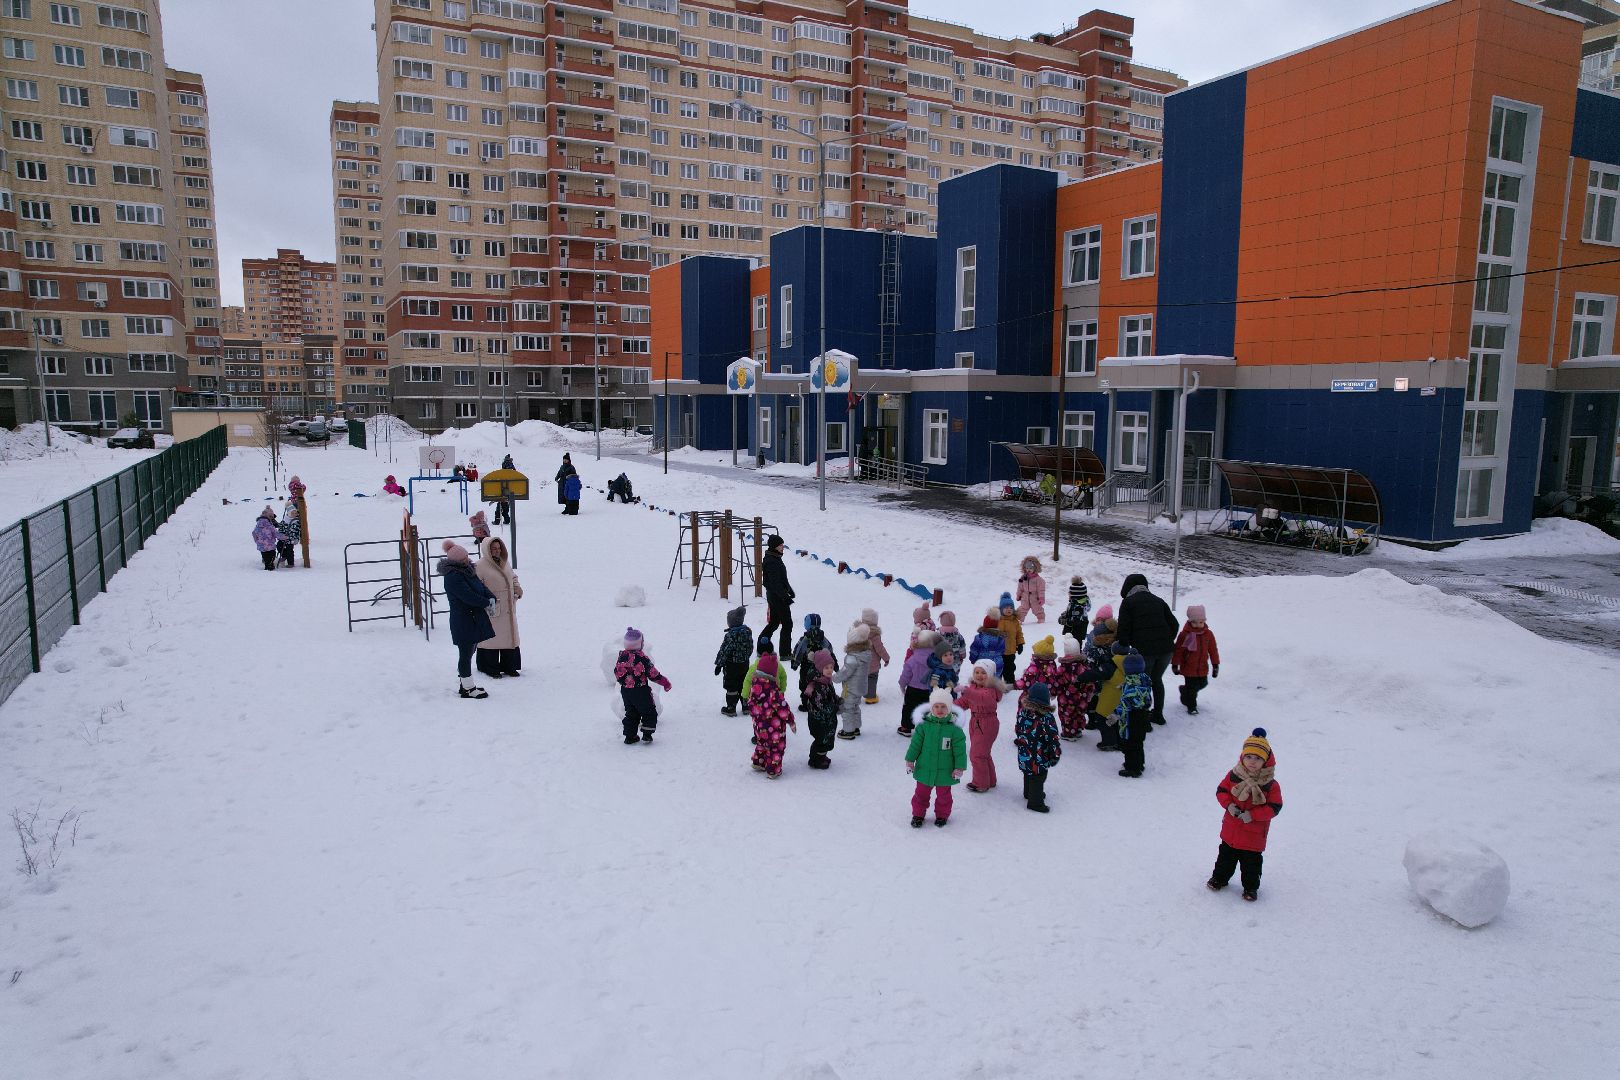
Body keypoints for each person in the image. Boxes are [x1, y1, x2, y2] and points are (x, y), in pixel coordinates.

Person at [1208, 729, 1283, 902]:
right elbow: (1222, 791)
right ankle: (1219, 879)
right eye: (1249, 757)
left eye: (1258, 758)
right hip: (1231, 831)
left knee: (1251, 865)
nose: (1252, 762)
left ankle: (1250, 888)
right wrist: (1229, 806)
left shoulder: (1270, 784)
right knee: (1225, 859)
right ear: (1243, 756)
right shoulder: (1234, 775)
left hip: (1253, 835)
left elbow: (1275, 807)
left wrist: (1253, 815)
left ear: (1266, 761)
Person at [1115, 572, 1179, 727]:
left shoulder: (1128, 603)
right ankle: (1158, 715)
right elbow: (1175, 624)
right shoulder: (1159, 601)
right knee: (1156, 680)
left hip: (1145, 651)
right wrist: (1165, 640)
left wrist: (1124, 645)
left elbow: (1123, 630)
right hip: (1166, 651)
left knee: (1143, 684)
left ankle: (1143, 721)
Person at [437, 540, 496, 699]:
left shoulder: (467, 570)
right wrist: (485, 602)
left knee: (470, 651)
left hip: (474, 617)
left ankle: (465, 683)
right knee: (465, 653)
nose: (466, 560)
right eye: (463, 559)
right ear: (455, 561)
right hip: (463, 619)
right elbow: (467, 596)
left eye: (466, 557)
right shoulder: (452, 576)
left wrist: (490, 597)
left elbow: (480, 586)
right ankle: (468, 688)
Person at [904, 688, 968, 828]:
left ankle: (942, 815)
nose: (940, 709)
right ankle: (918, 815)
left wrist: (959, 767)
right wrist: (910, 760)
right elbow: (915, 745)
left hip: (945, 771)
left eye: (943, 706)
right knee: (920, 794)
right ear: (931, 707)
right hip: (924, 769)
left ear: (949, 708)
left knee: (944, 796)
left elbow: (960, 751)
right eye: (936, 706)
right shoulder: (924, 726)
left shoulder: (954, 729)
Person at [473, 536, 522, 678]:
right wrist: (487, 600)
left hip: (508, 607)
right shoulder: (480, 566)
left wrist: (517, 588)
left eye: (499, 548)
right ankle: (490, 667)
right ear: (487, 550)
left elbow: (513, 577)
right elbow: (476, 586)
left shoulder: (504, 562)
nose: (497, 551)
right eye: (493, 548)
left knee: (509, 637)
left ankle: (509, 666)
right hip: (492, 608)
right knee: (491, 639)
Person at [614, 627, 672, 744]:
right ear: (639, 644)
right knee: (649, 711)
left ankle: (630, 736)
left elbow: (616, 672)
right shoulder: (642, 657)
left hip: (626, 691)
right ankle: (647, 734)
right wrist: (665, 682)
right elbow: (653, 673)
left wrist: (624, 682)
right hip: (640, 690)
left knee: (631, 713)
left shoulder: (622, 656)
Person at [955, 660, 1006, 793]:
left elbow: (981, 699)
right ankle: (990, 780)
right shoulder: (973, 688)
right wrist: (948, 706)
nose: (979, 675)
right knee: (984, 754)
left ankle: (981, 783)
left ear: (989, 675)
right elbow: (964, 702)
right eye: (977, 672)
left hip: (987, 723)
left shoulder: (991, 690)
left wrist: (966, 691)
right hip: (976, 722)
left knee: (977, 755)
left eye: (983, 673)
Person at [1013, 682, 1061, 813]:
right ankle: (1035, 802)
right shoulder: (1046, 718)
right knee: (1038, 777)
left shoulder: (1023, 712)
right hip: (1038, 755)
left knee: (1028, 774)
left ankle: (1029, 793)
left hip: (1024, 752)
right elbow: (1052, 737)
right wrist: (1055, 753)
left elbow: (1017, 729)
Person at [747, 653, 795, 779]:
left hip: (759, 726)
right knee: (775, 748)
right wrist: (791, 720)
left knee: (761, 744)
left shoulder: (754, 687)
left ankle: (759, 762)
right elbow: (783, 709)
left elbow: (751, 705)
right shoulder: (774, 691)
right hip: (774, 729)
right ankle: (773, 770)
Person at [1172, 604, 1221, 715]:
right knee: (1192, 689)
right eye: (1194, 622)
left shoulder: (1208, 634)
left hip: (1202, 667)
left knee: (1203, 683)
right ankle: (1192, 706)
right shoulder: (1185, 634)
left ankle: (1184, 691)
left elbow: (1213, 650)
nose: (1198, 625)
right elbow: (1178, 650)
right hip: (1188, 667)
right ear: (1190, 621)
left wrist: (1215, 665)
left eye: (1201, 622)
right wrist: (1175, 664)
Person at [1116, 648, 1153, 778]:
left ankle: (1133, 768)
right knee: (1138, 742)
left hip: (1131, 718)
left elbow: (1125, 704)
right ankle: (1139, 763)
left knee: (1130, 743)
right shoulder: (1144, 680)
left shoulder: (1131, 685)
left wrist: (1115, 713)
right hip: (1143, 715)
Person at [802, 648, 841, 770]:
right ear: (819, 668)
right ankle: (815, 760)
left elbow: (830, 695)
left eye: (831, 667)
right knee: (821, 741)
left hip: (826, 720)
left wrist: (837, 700)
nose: (830, 670)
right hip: (819, 720)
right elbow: (820, 705)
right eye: (826, 667)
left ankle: (820, 757)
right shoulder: (817, 685)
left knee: (826, 740)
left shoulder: (826, 681)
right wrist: (834, 708)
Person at [895, 628, 938, 736]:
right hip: (930, 690)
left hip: (913, 689)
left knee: (909, 707)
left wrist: (902, 684)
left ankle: (906, 727)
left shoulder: (912, 659)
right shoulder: (936, 660)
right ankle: (926, 727)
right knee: (928, 708)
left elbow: (906, 674)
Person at [835, 622, 872, 740]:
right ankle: (856, 727)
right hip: (861, 687)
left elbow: (845, 673)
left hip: (850, 689)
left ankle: (848, 731)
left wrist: (834, 678)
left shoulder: (852, 658)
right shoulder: (865, 654)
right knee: (855, 707)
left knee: (847, 708)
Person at [714, 604, 753, 716]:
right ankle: (746, 706)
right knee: (744, 684)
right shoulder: (747, 632)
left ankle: (731, 707)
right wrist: (745, 657)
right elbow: (750, 647)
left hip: (731, 665)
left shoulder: (730, 635)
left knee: (731, 685)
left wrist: (719, 664)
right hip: (744, 664)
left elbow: (724, 651)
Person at [760, 533, 795, 658]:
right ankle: (785, 653)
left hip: (775, 595)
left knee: (774, 622)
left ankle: (761, 646)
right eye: (780, 545)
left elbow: (781, 579)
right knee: (787, 623)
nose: (782, 547)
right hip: (777, 596)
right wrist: (785, 597)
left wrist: (789, 590)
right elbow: (775, 583)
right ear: (775, 546)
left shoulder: (774, 557)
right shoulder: (772, 561)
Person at [790, 613, 829, 708]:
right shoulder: (822, 638)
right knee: (821, 681)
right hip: (821, 666)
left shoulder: (805, 639)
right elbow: (829, 649)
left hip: (806, 666)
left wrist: (795, 663)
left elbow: (798, 651)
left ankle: (806, 703)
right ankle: (822, 699)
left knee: (804, 683)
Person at [858, 608, 889, 705]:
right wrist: (886, 658)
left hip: (860, 662)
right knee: (872, 678)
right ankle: (870, 697)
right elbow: (880, 649)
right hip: (872, 664)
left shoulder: (858, 632)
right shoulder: (874, 635)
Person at [997, 593, 1025, 683]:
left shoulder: (1015, 621)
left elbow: (1019, 634)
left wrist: (1020, 643)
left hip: (1011, 650)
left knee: (1010, 667)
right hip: (998, 651)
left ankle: (1009, 682)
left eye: (1011, 607)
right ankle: (998, 683)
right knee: (999, 667)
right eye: (1006, 608)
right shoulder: (997, 620)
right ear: (1001, 609)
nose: (1009, 609)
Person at [1057, 575, 1090, 644]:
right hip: (1075, 632)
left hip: (1076, 632)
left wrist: (1064, 621)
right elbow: (1073, 613)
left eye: (1070, 592)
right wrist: (1066, 614)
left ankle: (1076, 654)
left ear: (1076, 595)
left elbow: (1075, 621)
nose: (1068, 593)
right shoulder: (1076, 603)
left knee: (1075, 647)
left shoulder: (1078, 607)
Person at [1014, 556, 1047, 623]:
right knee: (1023, 608)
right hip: (1025, 596)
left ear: (1035, 568)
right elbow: (1020, 587)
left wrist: (1041, 598)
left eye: (1031, 568)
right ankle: (1019, 619)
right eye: (1027, 568)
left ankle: (1041, 618)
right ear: (1024, 568)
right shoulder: (1023, 577)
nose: (1028, 570)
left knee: (1037, 608)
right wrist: (1018, 595)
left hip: (1034, 597)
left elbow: (1041, 590)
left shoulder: (1038, 579)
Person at [935, 611, 965, 679]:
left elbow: (933, 646)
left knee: (940, 675)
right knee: (953, 675)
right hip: (955, 660)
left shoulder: (937, 634)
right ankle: (952, 685)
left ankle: (941, 685)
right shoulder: (958, 635)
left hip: (940, 660)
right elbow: (962, 646)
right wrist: (963, 655)